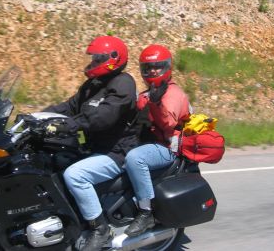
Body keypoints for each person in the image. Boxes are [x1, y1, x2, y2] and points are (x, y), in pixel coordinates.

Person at [42, 35, 138, 251]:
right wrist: (38, 116)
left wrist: (69, 125)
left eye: (98, 59)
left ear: (113, 59)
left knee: (75, 176)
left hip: (116, 152)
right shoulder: (92, 85)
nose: (93, 63)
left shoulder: (123, 83)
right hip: (93, 148)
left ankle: (99, 229)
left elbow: (104, 116)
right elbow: (68, 107)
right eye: (93, 58)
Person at [123, 44, 192, 237]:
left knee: (136, 159)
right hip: (150, 142)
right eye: (148, 67)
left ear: (167, 67)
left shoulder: (172, 93)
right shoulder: (148, 94)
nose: (153, 71)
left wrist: (156, 104)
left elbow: (169, 123)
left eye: (157, 66)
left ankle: (146, 211)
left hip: (169, 147)